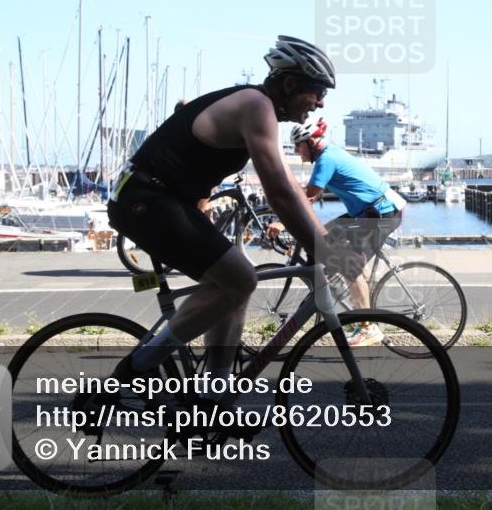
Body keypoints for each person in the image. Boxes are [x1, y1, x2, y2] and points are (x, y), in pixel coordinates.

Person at [107, 36, 355, 393]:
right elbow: (282, 194)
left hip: (159, 199)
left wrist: (321, 241)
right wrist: (325, 248)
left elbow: (284, 183)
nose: (320, 103)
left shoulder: (255, 107)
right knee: (240, 278)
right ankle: (138, 366)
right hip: (145, 199)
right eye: (317, 92)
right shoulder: (256, 106)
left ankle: (215, 395)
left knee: (237, 277)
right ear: (289, 83)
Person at [268, 117, 406, 346]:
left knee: (350, 266)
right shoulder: (328, 155)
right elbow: (306, 193)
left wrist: (283, 223)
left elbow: (309, 197)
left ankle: (368, 326)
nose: (296, 151)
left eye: (298, 146)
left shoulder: (327, 159)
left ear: (311, 142)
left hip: (382, 212)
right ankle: (333, 288)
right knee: (321, 237)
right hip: (365, 211)